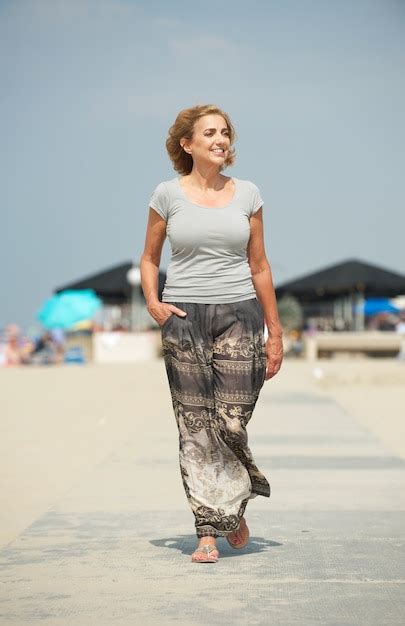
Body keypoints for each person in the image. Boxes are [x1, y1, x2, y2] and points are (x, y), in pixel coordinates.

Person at [140, 104, 283, 563]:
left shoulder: (248, 194)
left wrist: (275, 332)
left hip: (240, 314)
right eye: (209, 133)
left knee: (230, 420)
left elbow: (259, 265)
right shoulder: (167, 195)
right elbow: (149, 258)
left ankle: (236, 492)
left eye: (225, 133)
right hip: (184, 319)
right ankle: (209, 527)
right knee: (194, 426)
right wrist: (154, 302)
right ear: (188, 144)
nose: (220, 139)